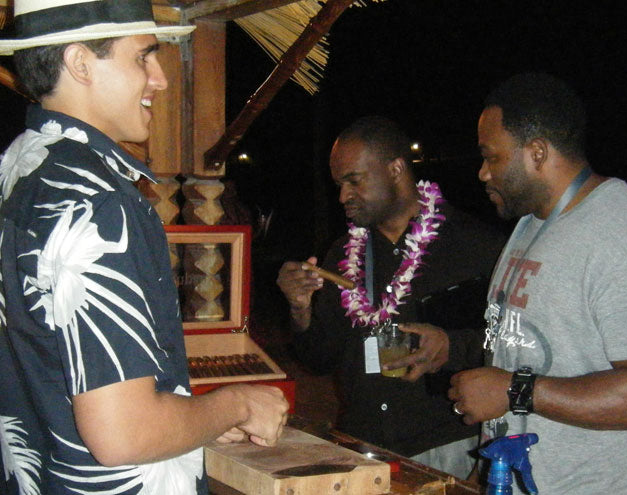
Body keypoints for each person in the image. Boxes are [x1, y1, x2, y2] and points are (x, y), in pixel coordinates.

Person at [0, 2, 288, 494]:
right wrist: (237, 403)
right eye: (143, 57)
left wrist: (200, 419)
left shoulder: (19, 170)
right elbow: (123, 433)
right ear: (80, 64)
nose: (160, 79)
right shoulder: (99, 203)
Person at [447, 73, 627, 494]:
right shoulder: (530, 225)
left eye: (492, 157)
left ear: (537, 152)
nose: (483, 174)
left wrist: (513, 389)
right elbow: (518, 355)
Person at [277, 115, 505, 479]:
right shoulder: (341, 255)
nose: (343, 196)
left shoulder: (474, 246)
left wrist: (451, 345)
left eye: (353, 180)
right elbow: (319, 359)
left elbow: (507, 345)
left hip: (444, 446)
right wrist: (299, 308)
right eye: (339, 184)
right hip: (361, 445)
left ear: (396, 169)